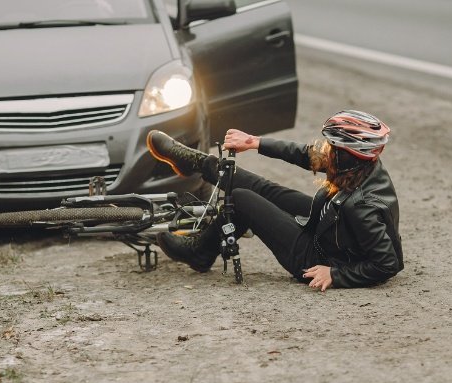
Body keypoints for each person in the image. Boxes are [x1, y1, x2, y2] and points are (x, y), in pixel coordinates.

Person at [146, 110, 403, 291]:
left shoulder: (362, 207)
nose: (326, 150)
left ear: (350, 155)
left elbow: (387, 263)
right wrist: (255, 142)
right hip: (331, 226)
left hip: (314, 257)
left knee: (243, 199)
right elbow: (306, 155)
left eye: (333, 147)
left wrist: (335, 274)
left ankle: (199, 252)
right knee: (266, 188)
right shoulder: (359, 166)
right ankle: (199, 163)